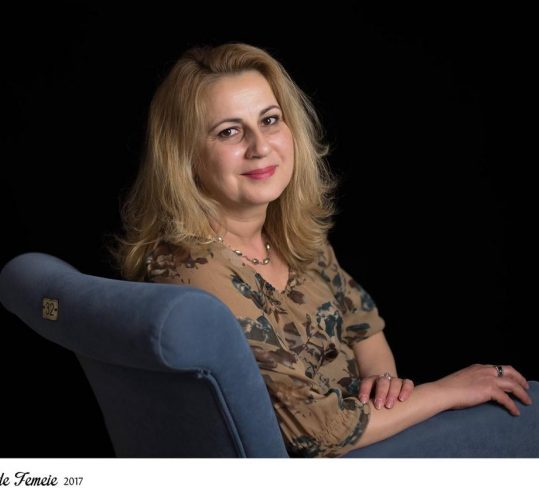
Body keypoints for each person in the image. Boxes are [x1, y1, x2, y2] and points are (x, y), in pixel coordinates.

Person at [112, 42, 538, 458]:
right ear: (184, 156)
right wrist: (448, 391)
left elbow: (364, 328)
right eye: (229, 131)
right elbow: (319, 430)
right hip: (318, 471)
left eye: (270, 120)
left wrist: (386, 387)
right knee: (527, 412)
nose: (261, 146)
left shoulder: (287, 233)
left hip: (367, 436)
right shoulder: (194, 271)